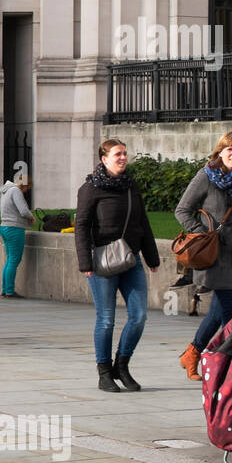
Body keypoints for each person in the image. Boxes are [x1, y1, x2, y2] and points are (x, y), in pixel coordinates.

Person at [174, 131, 232, 380]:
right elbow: (182, 210)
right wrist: (202, 233)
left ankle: (192, 354)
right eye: (229, 150)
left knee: (217, 311)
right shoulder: (205, 176)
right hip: (211, 254)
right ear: (220, 152)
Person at [74, 139, 160, 393]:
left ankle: (121, 365)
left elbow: (143, 222)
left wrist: (152, 257)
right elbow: (81, 226)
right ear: (104, 159)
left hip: (130, 259)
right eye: (117, 154)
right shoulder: (90, 189)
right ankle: (104, 372)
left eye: (124, 153)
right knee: (106, 319)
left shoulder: (131, 185)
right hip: (102, 262)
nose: (123, 157)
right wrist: (85, 262)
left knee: (139, 316)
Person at [0, 175, 35, 298]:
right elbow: (23, 210)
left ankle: (5, 289)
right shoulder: (16, 191)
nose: (27, 191)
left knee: (9, 260)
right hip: (14, 228)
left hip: (4, 227)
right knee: (14, 260)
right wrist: (31, 217)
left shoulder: (6, 190)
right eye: (27, 187)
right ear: (24, 185)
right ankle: (9, 291)